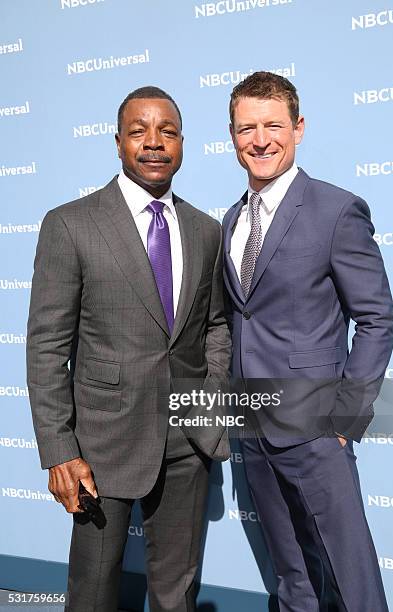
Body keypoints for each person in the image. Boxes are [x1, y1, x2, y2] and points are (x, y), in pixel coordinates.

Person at [26, 86, 231, 612]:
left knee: (176, 594)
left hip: (188, 442)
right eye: (139, 131)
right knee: (93, 594)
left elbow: (216, 327)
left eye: (167, 131)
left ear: (182, 143)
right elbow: (48, 346)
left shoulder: (207, 231)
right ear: (118, 143)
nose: (154, 143)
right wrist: (60, 450)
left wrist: (208, 405)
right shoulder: (70, 224)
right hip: (100, 446)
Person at [222, 71, 393, 611]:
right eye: (247, 128)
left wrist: (344, 421)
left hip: (317, 434)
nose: (260, 139)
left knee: (351, 583)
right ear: (232, 137)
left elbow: (376, 318)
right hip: (253, 431)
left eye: (273, 125)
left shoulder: (337, 210)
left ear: (298, 128)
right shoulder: (232, 220)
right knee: (293, 582)